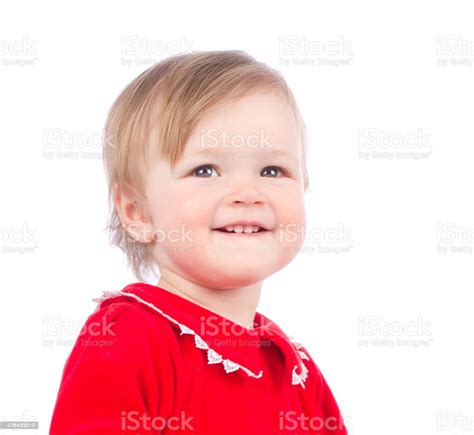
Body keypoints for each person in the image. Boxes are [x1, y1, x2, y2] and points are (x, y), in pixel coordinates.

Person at [50, 50, 348, 434]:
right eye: (205, 170)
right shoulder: (129, 337)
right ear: (138, 212)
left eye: (272, 170)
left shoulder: (294, 370)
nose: (248, 192)